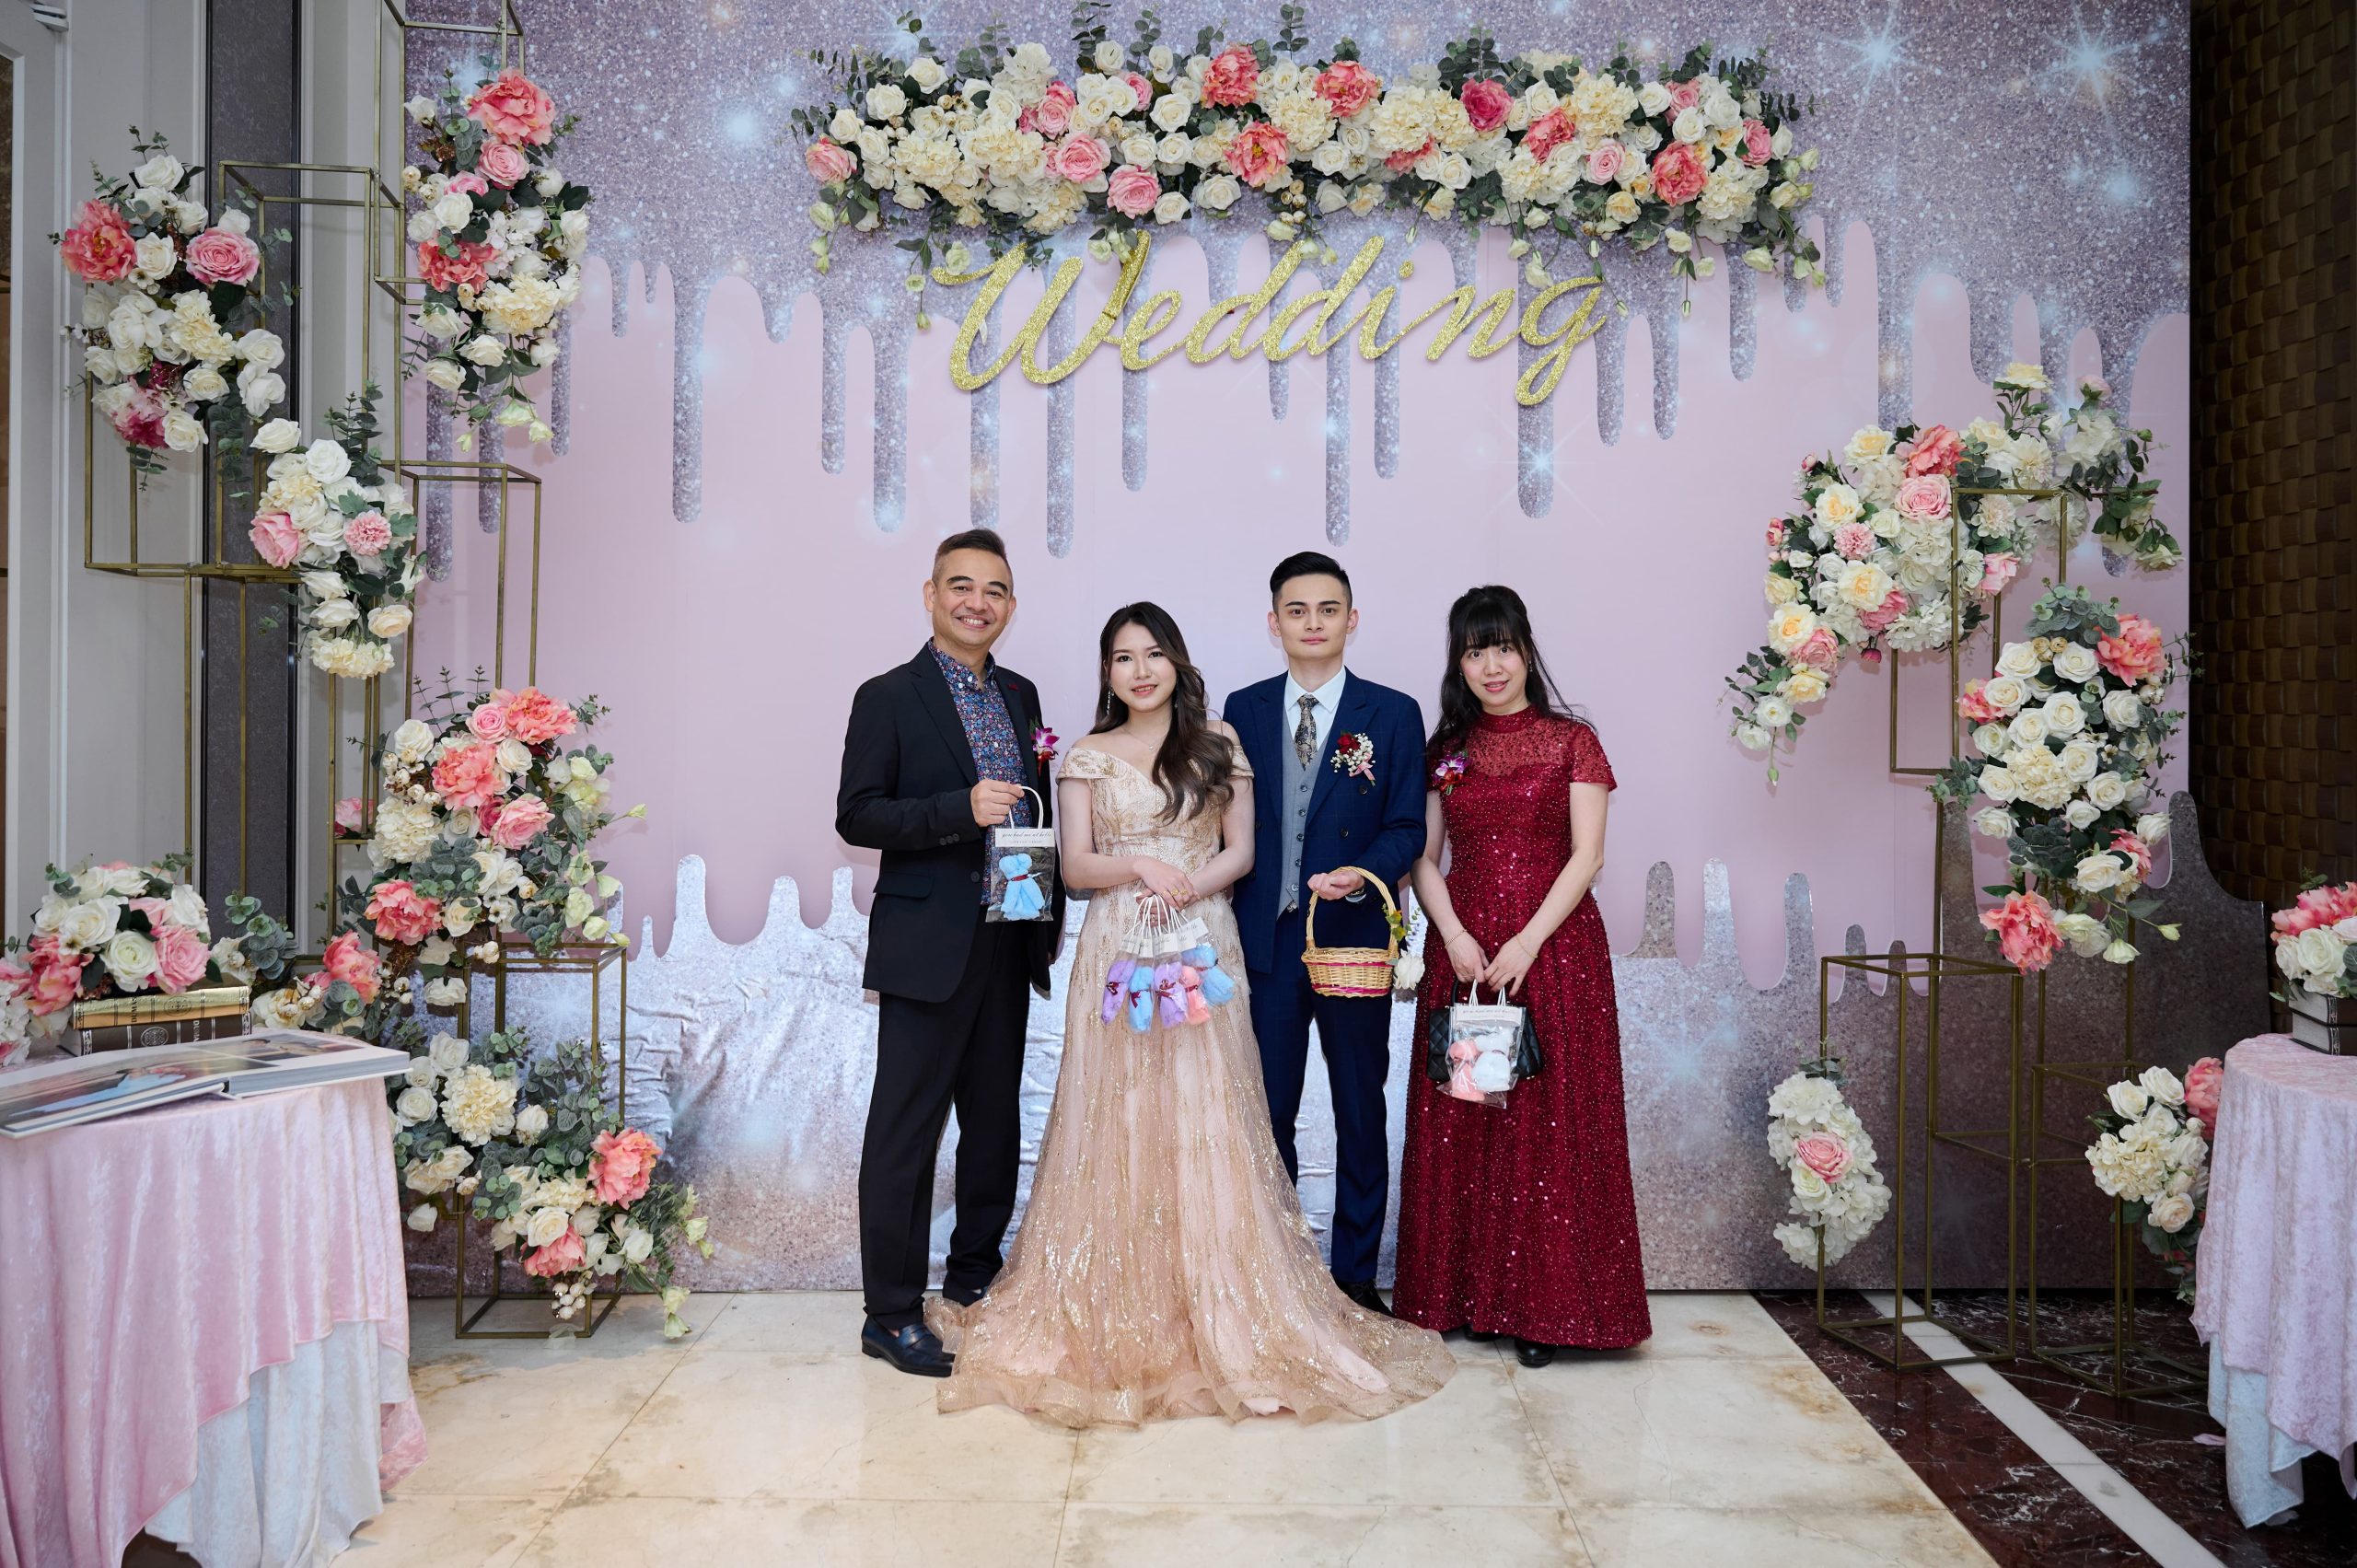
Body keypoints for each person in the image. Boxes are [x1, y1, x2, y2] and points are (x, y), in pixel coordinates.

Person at [931, 603, 1453, 1426]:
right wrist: (1141, 865)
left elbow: (1241, 852)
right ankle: (1119, 1303)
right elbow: (1076, 864)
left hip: (1203, 938)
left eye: (1153, 654)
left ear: (1177, 661)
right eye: (1123, 657)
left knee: (1208, 1111)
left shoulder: (1219, 742)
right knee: (1121, 1113)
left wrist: (1184, 887)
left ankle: (1222, 1303)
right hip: (1118, 944)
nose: (1140, 671)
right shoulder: (1087, 753)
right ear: (1108, 672)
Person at [1393, 585, 1651, 1367]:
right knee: (1469, 1118)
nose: (1492, 665)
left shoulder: (1573, 741)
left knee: (1549, 1126)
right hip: (1468, 957)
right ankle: (1467, 1296)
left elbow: (1588, 856)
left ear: (1527, 651)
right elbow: (1422, 857)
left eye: (1503, 647)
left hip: (1556, 953)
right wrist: (1453, 934)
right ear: (1459, 664)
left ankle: (1549, 1309)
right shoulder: (1446, 751)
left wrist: (1529, 940)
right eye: (1475, 652)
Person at [835, 528, 1064, 1378]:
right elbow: (858, 814)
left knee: (994, 1124)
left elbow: (1037, 808)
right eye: (961, 586)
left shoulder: (1022, 694)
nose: (978, 602)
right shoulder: (888, 696)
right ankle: (890, 1313)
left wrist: (1046, 913)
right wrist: (956, 809)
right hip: (928, 945)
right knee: (906, 1131)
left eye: (995, 590)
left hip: (1010, 933)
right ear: (930, 594)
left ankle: (974, 1281)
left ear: (1011, 605)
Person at [1222, 554, 1427, 1315]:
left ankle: (1356, 1276)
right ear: (1273, 622)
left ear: (1352, 619)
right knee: (1267, 1109)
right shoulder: (1241, 709)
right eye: (1297, 609)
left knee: (1359, 1106)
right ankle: (1278, 1270)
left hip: (1353, 940)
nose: (1313, 622)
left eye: (1328, 608)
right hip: (1268, 943)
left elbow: (1408, 825)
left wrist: (1362, 873)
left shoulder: (1393, 713)